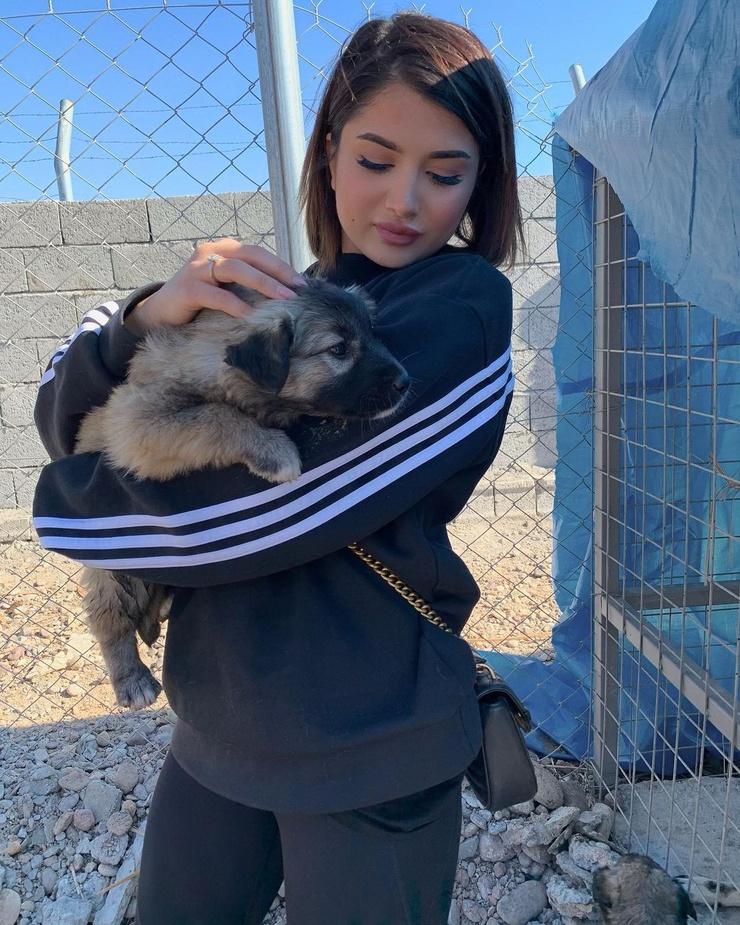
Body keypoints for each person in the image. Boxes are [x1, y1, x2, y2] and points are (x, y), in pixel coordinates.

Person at [33, 11, 522, 925]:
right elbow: (63, 417)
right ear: (328, 154)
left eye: (445, 172)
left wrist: (68, 506)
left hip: (370, 745)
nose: (405, 201)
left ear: (480, 182)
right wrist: (145, 316)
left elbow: (260, 510)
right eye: (375, 160)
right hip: (215, 725)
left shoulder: (458, 310)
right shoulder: (283, 300)